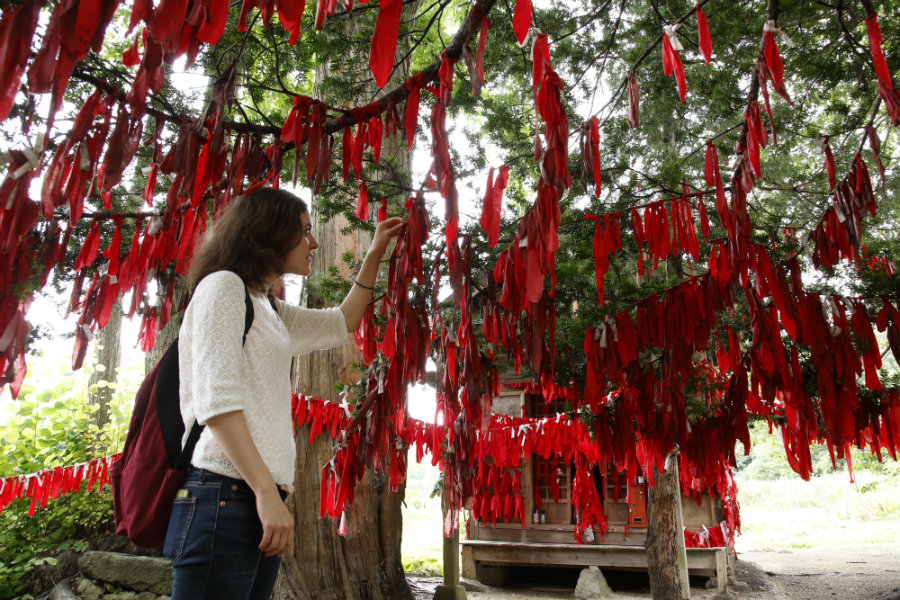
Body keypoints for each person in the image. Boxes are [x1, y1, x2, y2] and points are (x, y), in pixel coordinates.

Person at [162, 187, 404, 600]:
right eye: (305, 233)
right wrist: (263, 493)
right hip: (226, 493)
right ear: (269, 233)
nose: (313, 243)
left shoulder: (267, 307)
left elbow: (342, 322)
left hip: (253, 497)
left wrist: (375, 253)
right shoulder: (223, 287)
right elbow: (217, 405)